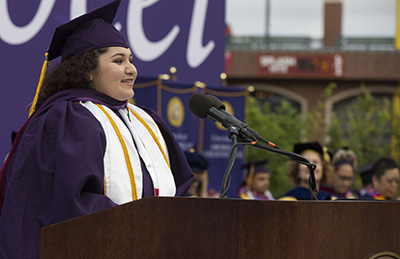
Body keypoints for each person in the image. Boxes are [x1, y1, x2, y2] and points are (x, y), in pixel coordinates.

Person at [0, 1, 193, 257]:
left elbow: (179, 189)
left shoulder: (147, 120)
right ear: (88, 71)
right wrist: (142, 226)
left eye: (131, 60)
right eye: (118, 60)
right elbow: (67, 202)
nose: (131, 69)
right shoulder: (70, 117)